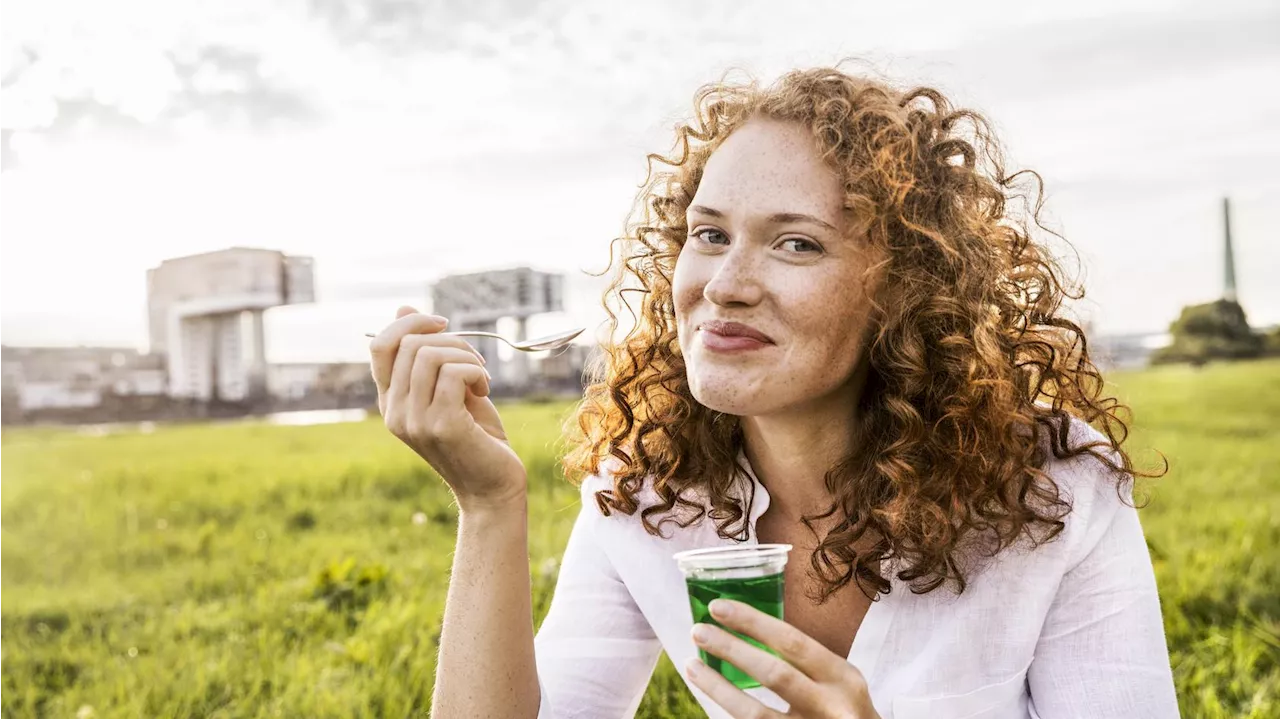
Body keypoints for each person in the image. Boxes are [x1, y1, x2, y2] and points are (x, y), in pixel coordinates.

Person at [368, 66, 1179, 719]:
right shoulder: (647, 495)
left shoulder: (1056, 487)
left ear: (903, 291)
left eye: (796, 244)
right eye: (710, 234)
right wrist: (489, 501)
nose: (724, 285)